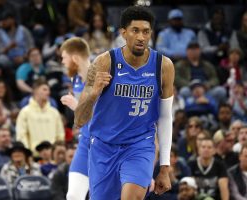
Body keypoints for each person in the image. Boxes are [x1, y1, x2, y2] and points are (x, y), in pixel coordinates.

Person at [74, 6, 174, 200]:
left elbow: (165, 117)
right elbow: (79, 118)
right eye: (135, 31)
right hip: (104, 146)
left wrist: (164, 167)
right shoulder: (105, 62)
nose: (141, 37)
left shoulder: (163, 66)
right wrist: (94, 93)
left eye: (145, 32)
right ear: (123, 33)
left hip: (139, 145)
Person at [59, 37, 91, 200]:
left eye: (64, 57)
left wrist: (76, 106)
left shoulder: (101, 78)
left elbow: (108, 116)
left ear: (75, 58)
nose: (62, 62)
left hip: (106, 145)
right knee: (73, 195)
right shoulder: (76, 80)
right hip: (85, 142)